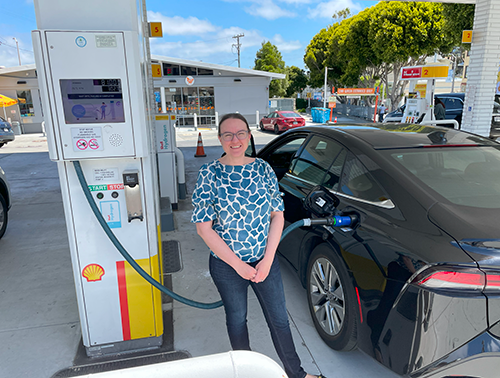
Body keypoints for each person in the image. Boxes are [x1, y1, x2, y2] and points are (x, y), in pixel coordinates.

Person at [191, 113, 325, 378]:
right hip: (227, 265)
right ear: (219, 139)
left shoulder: (262, 169)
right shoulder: (210, 173)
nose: (235, 139)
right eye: (227, 134)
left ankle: (297, 373)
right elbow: (204, 228)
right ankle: (246, 372)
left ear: (249, 136)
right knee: (237, 319)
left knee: (279, 320)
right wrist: (239, 266)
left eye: (240, 133)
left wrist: (267, 259)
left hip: (265, 261)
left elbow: (278, 215)